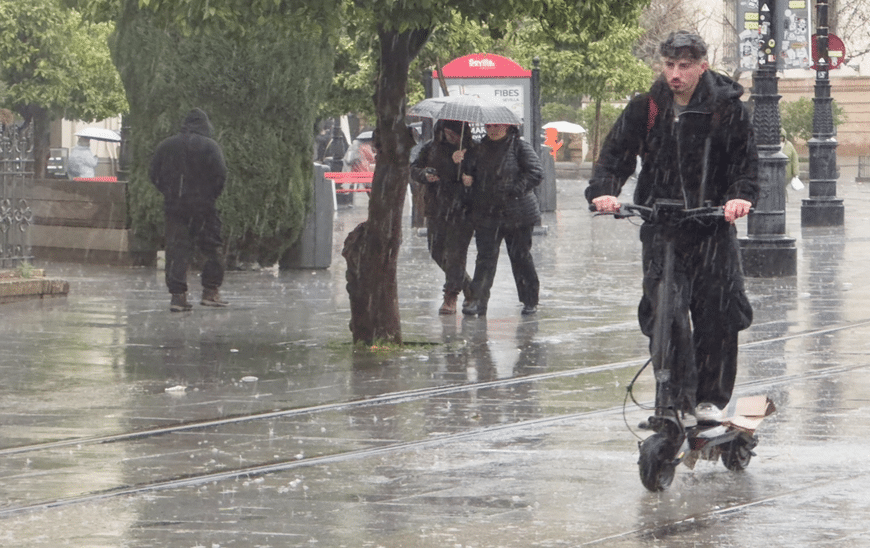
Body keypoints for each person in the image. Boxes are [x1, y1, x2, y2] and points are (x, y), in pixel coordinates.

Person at [586, 31, 759, 422]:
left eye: (684, 66)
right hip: (662, 228)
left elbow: (745, 166)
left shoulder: (727, 109)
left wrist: (740, 197)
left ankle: (710, 400)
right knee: (666, 314)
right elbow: (614, 157)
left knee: (718, 313)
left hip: (712, 226)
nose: (675, 74)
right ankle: (673, 398)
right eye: (669, 65)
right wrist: (603, 192)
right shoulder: (646, 108)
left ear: (703, 66)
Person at [459, 123, 543, 317]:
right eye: (489, 126)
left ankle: (530, 300)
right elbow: (468, 173)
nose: (493, 130)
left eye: (497, 126)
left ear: (507, 127)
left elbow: (535, 173)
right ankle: (478, 300)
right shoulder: (477, 148)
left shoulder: (519, 147)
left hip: (518, 213)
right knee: (485, 259)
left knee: (520, 257)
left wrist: (514, 190)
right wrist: (464, 172)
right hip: (487, 213)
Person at [149, 108, 228, 312]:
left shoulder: (166, 145)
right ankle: (210, 292)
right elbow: (220, 175)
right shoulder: (210, 146)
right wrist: (208, 196)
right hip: (204, 207)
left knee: (177, 250)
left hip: (175, 207)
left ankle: (178, 296)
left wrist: (169, 192)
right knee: (211, 248)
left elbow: (153, 174)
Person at [410, 119, 475, 314]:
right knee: (436, 250)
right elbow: (414, 168)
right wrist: (425, 175)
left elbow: (482, 173)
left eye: (455, 134)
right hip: (437, 206)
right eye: (448, 133)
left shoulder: (472, 149)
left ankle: (451, 295)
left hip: (463, 209)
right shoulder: (431, 147)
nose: (452, 138)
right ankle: (470, 287)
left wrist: (467, 171)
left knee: (456, 254)